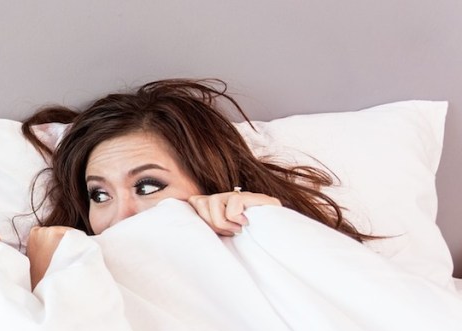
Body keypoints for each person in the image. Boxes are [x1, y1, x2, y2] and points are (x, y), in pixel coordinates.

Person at [20, 79, 374, 287]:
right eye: (99, 194)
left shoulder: (266, 247)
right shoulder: (79, 273)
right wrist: (47, 277)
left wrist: (275, 227)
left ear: (209, 183)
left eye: (147, 186)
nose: (120, 217)